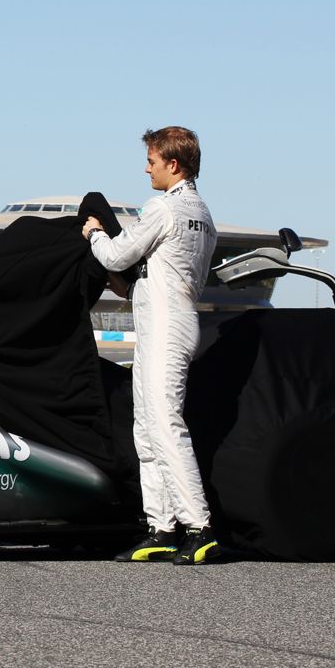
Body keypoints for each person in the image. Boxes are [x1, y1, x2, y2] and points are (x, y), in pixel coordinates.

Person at [82, 127, 219, 565]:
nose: (146, 168)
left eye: (152, 161)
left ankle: (200, 527)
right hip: (173, 316)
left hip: (165, 324)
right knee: (147, 428)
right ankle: (160, 526)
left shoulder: (163, 207)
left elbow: (116, 256)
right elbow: (148, 275)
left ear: (172, 164)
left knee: (164, 426)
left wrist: (93, 234)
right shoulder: (203, 212)